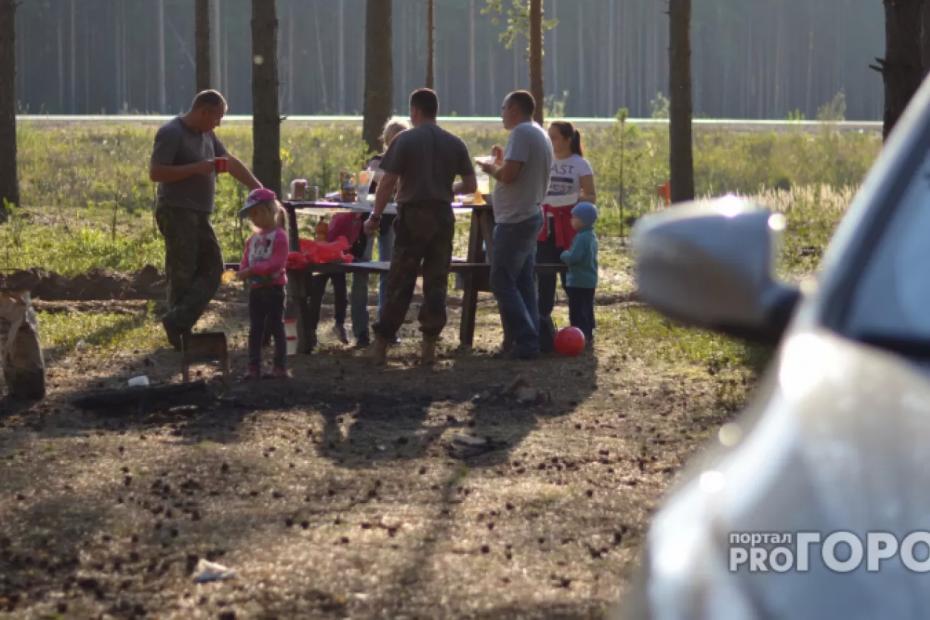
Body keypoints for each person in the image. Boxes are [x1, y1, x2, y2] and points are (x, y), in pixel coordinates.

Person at [363, 88, 477, 365]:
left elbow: (387, 182)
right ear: (435, 111)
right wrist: (446, 188)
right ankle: (428, 348)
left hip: (413, 216)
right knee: (436, 281)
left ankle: (381, 345)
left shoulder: (404, 140)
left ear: (415, 111)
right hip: (442, 217)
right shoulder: (455, 143)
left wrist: (375, 217)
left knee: (400, 280)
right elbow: (471, 186)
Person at [149, 89, 262, 350]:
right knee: (182, 272)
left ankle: (177, 321)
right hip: (176, 210)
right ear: (204, 111)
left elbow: (229, 162)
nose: (218, 123)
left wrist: (258, 189)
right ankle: (179, 335)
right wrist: (196, 169)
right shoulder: (172, 133)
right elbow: (156, 172)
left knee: (213, 269)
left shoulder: (207, 134)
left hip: (199, 213)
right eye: (217, 117)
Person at [477, 90, 554, 360]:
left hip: (516, 220)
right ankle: (532, 339)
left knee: (500, 280)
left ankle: (525, 339)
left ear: (514, 109)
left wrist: (489, 167)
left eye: (503, 107)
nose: (501, 112)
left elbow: (509, 176)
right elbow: (517, 171)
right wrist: (500, 162)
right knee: (522, 282)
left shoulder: (521, 133)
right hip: (528, 214)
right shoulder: (538, 132)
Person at [538, 121, 596, 352]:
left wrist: (570, 201)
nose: (551, 142)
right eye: (548, 137)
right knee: (543, 277)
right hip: (545, 227)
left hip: (569, 228)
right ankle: (542, 326)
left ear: (567, 139)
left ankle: (581, 328)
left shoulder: (580, 164)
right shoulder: (545, 161)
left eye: (554, 138)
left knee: (572, 280)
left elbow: (591, 196)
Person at [236, 188, 289, 380]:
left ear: (269, 211)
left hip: (274, 288)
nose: (254, 217)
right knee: (255, 328)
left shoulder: (280, 236)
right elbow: (245, 259)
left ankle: (280, 366)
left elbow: (277, 262)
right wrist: (243, 271)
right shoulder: (252, 239)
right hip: (256, 290)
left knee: (276, 326)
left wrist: (253, 270)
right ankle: (253, 366)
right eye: (251, 214)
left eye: (257, 212)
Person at [367, 119, 412, 341]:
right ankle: (382, 324)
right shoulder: (377, 162)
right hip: (381, 221)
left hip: (401, 220)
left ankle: (387, 326)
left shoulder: (411, 163)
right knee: (386, 271)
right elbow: (375, 185)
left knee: (394, 272)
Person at [305, 210, 369, 349]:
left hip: (337, 259)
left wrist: (349, 254)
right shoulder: (342, 218)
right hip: (323, 258)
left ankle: (339, 324)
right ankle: (310, 331)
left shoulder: (360, 222)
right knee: (316, 294)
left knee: (341, 293)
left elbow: (355, 241)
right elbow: (328, 237)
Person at [559, 202, 598, 345]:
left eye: (573, 217)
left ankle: (580, 335)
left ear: (582, 220)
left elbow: (574, 258)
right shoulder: (591, 235)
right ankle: (589, 332)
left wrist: (564, 255)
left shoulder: (581, 238)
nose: (571, 220)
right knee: (587, 307)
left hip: (578, 281)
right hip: (589, 280)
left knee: (577, 310)